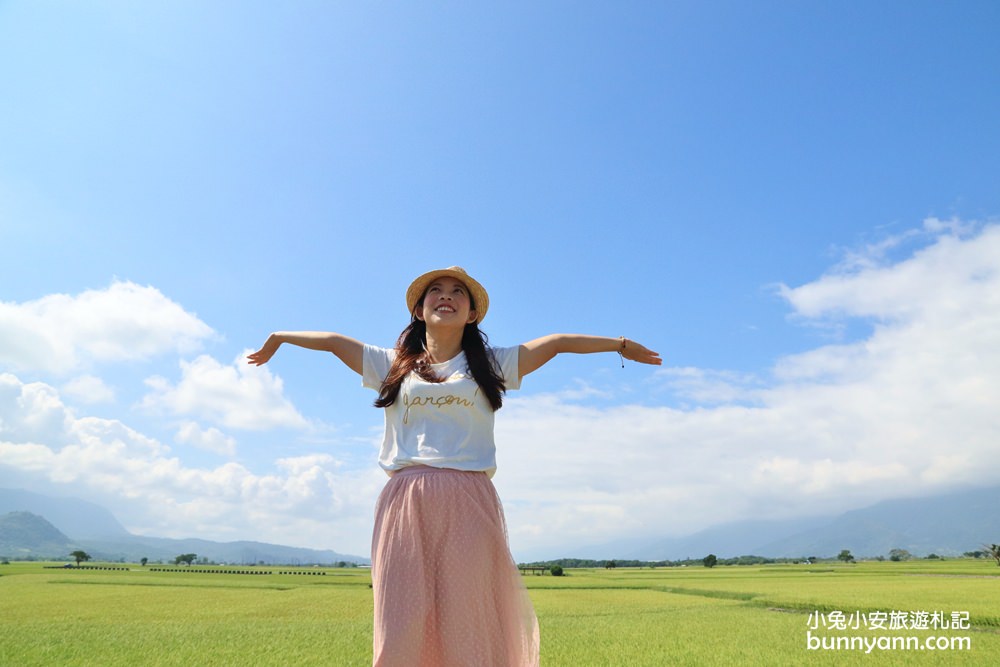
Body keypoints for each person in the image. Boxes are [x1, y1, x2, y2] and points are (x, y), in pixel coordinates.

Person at [247, 266, 661, 667]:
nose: (446, 295)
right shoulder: (391, 363)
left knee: (469, 618)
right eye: (437, 289)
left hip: (468, 498)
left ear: (473, 313)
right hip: (404, 500)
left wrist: (620, 344)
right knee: (399, 620)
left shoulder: (491, 364)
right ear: (419, 308)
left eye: (458, 291)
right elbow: (336, 342)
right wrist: (280, 337)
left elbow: (555, 343)